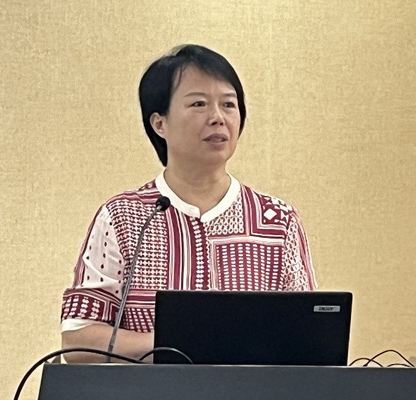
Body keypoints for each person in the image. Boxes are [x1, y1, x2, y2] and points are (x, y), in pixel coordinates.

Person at [61, 44, 317, 363]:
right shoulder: (124, 217)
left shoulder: (277, 220)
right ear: (159, 124)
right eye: (199, 104)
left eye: (228, 104)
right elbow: (78, 339)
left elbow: (308, 337)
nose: (218, 118)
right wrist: (178, 346)